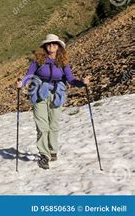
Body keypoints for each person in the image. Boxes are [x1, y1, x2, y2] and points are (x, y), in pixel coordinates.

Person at [16, 34, 89, 169]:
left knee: (54, 124)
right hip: (39, 94)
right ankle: (44, 154)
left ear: (58, 46)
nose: (52, 46)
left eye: (54, 44)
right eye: (49, 44)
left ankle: (53, 150)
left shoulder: (63, 61)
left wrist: (81, 83)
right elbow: (29, 75)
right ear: (45, 46)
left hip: (57, 94)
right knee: (42, 126)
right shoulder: (38, 60)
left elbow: (70, 79)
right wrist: (22, 83)